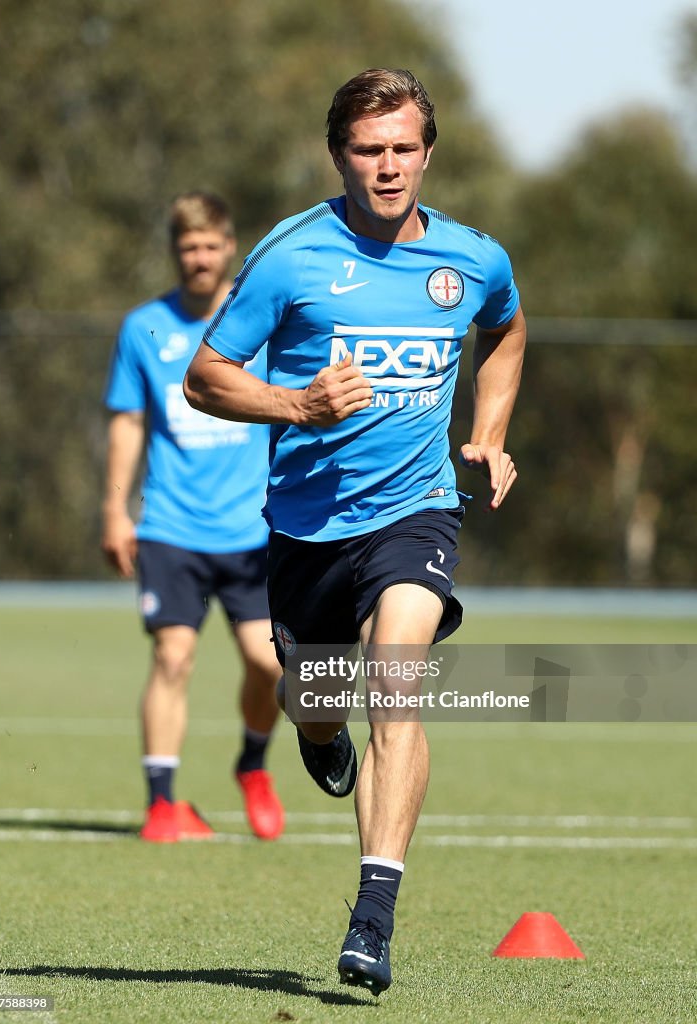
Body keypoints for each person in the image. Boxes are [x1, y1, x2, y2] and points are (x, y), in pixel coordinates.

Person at [184, 70, 526, 994]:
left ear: (427, 150)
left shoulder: (472, 259)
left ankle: (373, 918)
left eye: (403, 148)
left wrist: (487, 435)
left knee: (398, 683)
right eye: (368, 150)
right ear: (340, 155)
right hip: (305, 532)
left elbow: (506, 326)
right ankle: (313, 731)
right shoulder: (291, 257)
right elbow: (205, 378)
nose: (387, 166)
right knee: (319, 697)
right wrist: (296, 403)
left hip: (416, 513)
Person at [101, 191, 284, 844]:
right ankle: (161, 804)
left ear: (230, 247)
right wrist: (114, 510)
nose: (200, 258)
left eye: (210, 246)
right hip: (170, 526)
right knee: (173, 657)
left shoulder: (262, 316)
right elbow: (126, 422)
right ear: (175, 253)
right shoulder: (143, 328)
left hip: (255, 530)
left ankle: (253, 765)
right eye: (188, 248)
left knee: (271, 667)